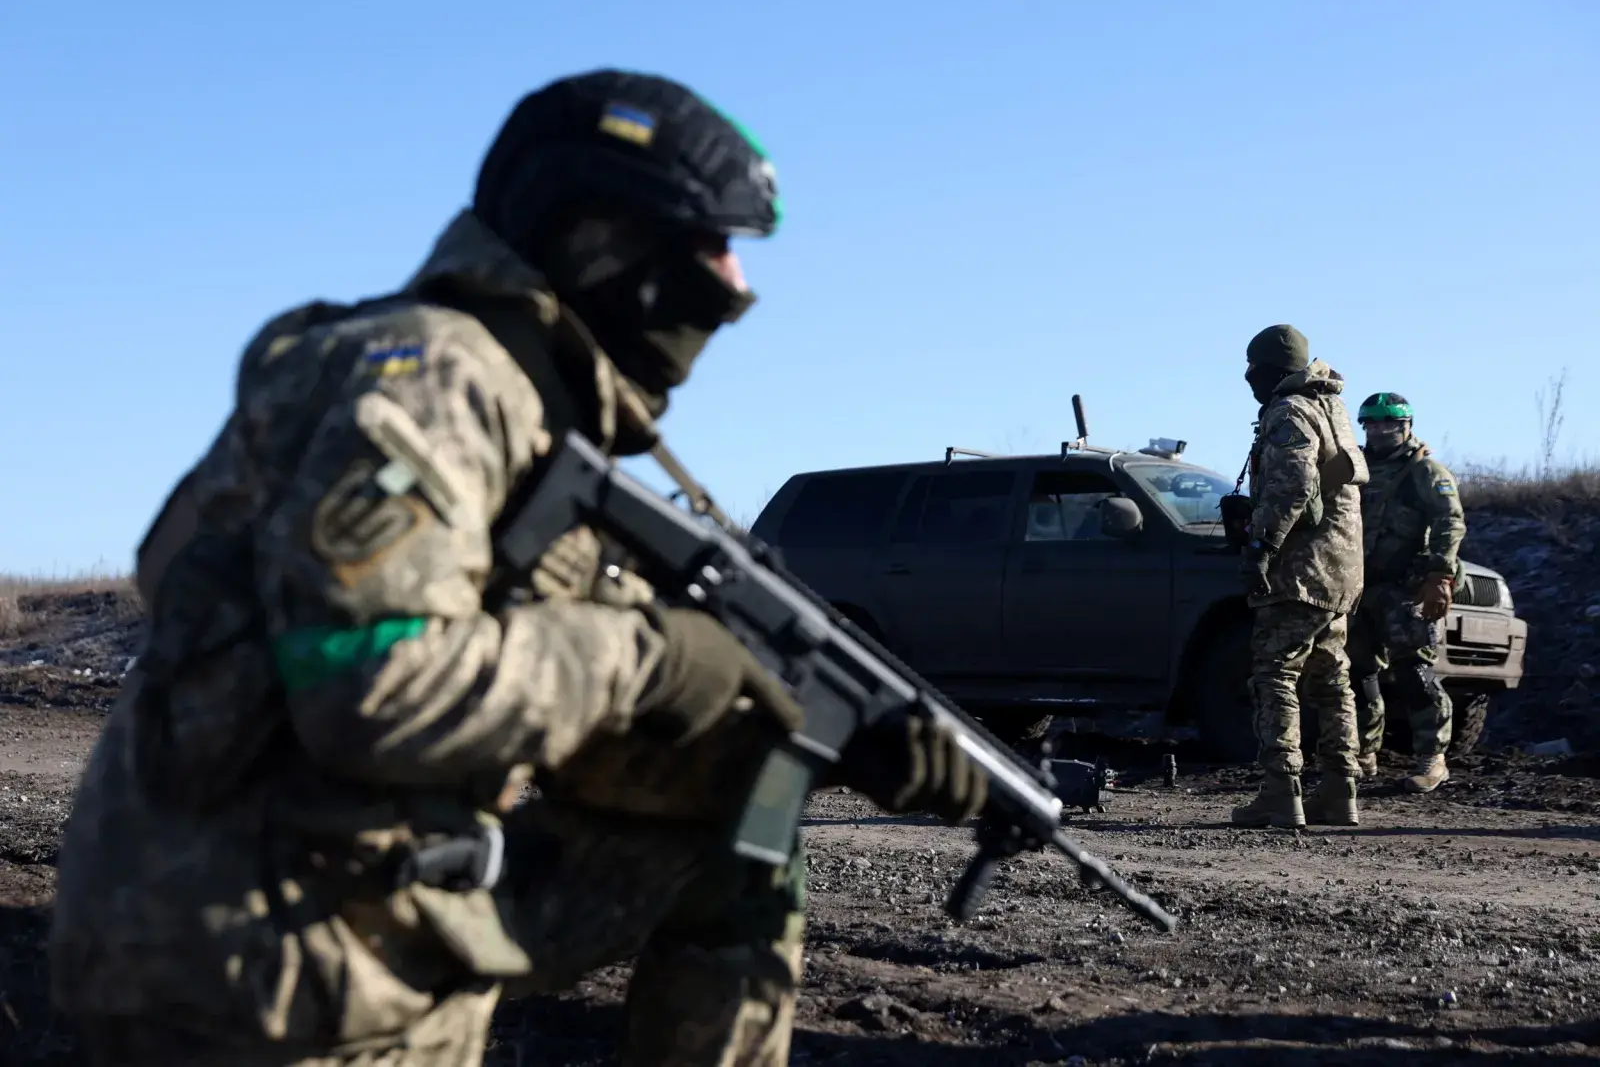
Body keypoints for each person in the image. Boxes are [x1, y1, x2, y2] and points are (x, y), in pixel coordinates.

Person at [49, 69, 986, 1067]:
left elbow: (178, 569)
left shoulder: (429, 375)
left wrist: (816, 733)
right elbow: (372, 686)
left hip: (209, 911)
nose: (737, 291)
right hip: (285, 968)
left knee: (744, 819)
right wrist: (651, 659)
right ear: (606, 241)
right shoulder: (444, 375)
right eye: (714, 247)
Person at [1230, 324, 1369, 829]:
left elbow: (1292, 485)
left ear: (1270, 370)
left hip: (1300, 571)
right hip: (1340, 570)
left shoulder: (1289, 410)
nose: (1248, 379)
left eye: (1253, 370)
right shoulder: (1331, 407)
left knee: (1276, 674)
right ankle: (1339, 791)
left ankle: (1281, 791)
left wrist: (1260, 547)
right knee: (1332, 680)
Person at [1350, 392, 1466, 794]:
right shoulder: (1357, 468)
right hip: (1361, 586)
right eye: (1373, 424)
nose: (1381, 431)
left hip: (1407, 587)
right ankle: (1363, 755)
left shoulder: (1424, 471)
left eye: (1390, 424)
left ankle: (1432, 758)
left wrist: (1440, 576)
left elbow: (1450, 522)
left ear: (1407, 426)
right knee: (1357, 673)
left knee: (1415, 673)